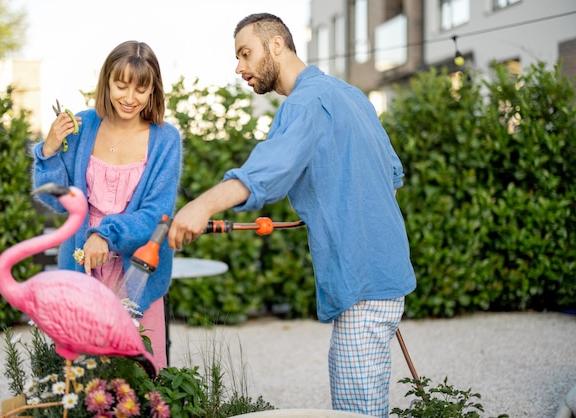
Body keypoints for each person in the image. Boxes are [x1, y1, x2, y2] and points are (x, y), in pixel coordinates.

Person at [167, 13, 416, 417]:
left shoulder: (305, 102)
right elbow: (392, 177)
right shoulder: (350, 94)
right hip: (387, 277)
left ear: (277, 45)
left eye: (245, 54)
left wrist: (200, 206)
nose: (239, 67)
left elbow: (268, 170)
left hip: (362, 281)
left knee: (356, 413)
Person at [33, 40, 182, 371]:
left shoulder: (165, 139)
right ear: (107, 82)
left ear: (153, 91)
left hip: (138, 275)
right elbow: (53, 201)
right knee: (84, 375)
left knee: (144, 374)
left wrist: (105, 235)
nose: (130, 98)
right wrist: (50, 150)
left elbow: (156, 216)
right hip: (82, 270)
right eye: (121, 85)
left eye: (141, 89)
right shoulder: (83, 127)